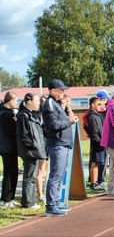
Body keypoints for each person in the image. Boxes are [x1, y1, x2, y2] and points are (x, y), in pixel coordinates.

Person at [42, 79, 78, 216]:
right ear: (52, 91)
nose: (63, 92)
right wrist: (69, 120)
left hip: (62, 143)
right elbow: (53, 125)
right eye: (61, 90)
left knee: (59, 174)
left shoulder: (56, 104)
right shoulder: (50, 104)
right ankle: (51, 206)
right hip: (57, 144)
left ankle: (56, 202)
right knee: (56, 175)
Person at [16, 93, 47, 209]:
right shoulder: (23, 116)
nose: (39, 103)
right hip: (29, 151)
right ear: (29, 101)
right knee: (29, 176)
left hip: (33, 150)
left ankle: (30, 201)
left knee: (31, 175)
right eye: (37, 100)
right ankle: (28, 203)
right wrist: (33, 147)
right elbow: (23, 136)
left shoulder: (32, 115)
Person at [0, 91, 18, 209]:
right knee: (9, 173)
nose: (17, 103)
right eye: (16, 100)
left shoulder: (4, 112)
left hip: (6, 147)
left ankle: (9, 198)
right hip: (7, 147)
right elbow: (10, 131)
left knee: (12, 172)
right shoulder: (6, 114)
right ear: (11, 101)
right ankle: (5, 199)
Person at [87, 97, 106, 193]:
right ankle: (94, 184)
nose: (100, 106)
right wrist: (100, 141)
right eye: (98, 104)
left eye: (101, 104)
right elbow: (94, 132)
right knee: (96, 163)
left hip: (101, 142)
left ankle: (98, 182)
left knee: (98, 162)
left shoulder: (98, 115)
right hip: (97, 143)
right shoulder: (92, 116)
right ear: (92, 105)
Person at [36, 95, 49, 203]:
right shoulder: (38, 115)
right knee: (40, 170)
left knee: (47, 170)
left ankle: (46, 192)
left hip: (49, 143)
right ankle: (40, 195)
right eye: (43, 102)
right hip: (42, 145)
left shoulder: (49, 114)